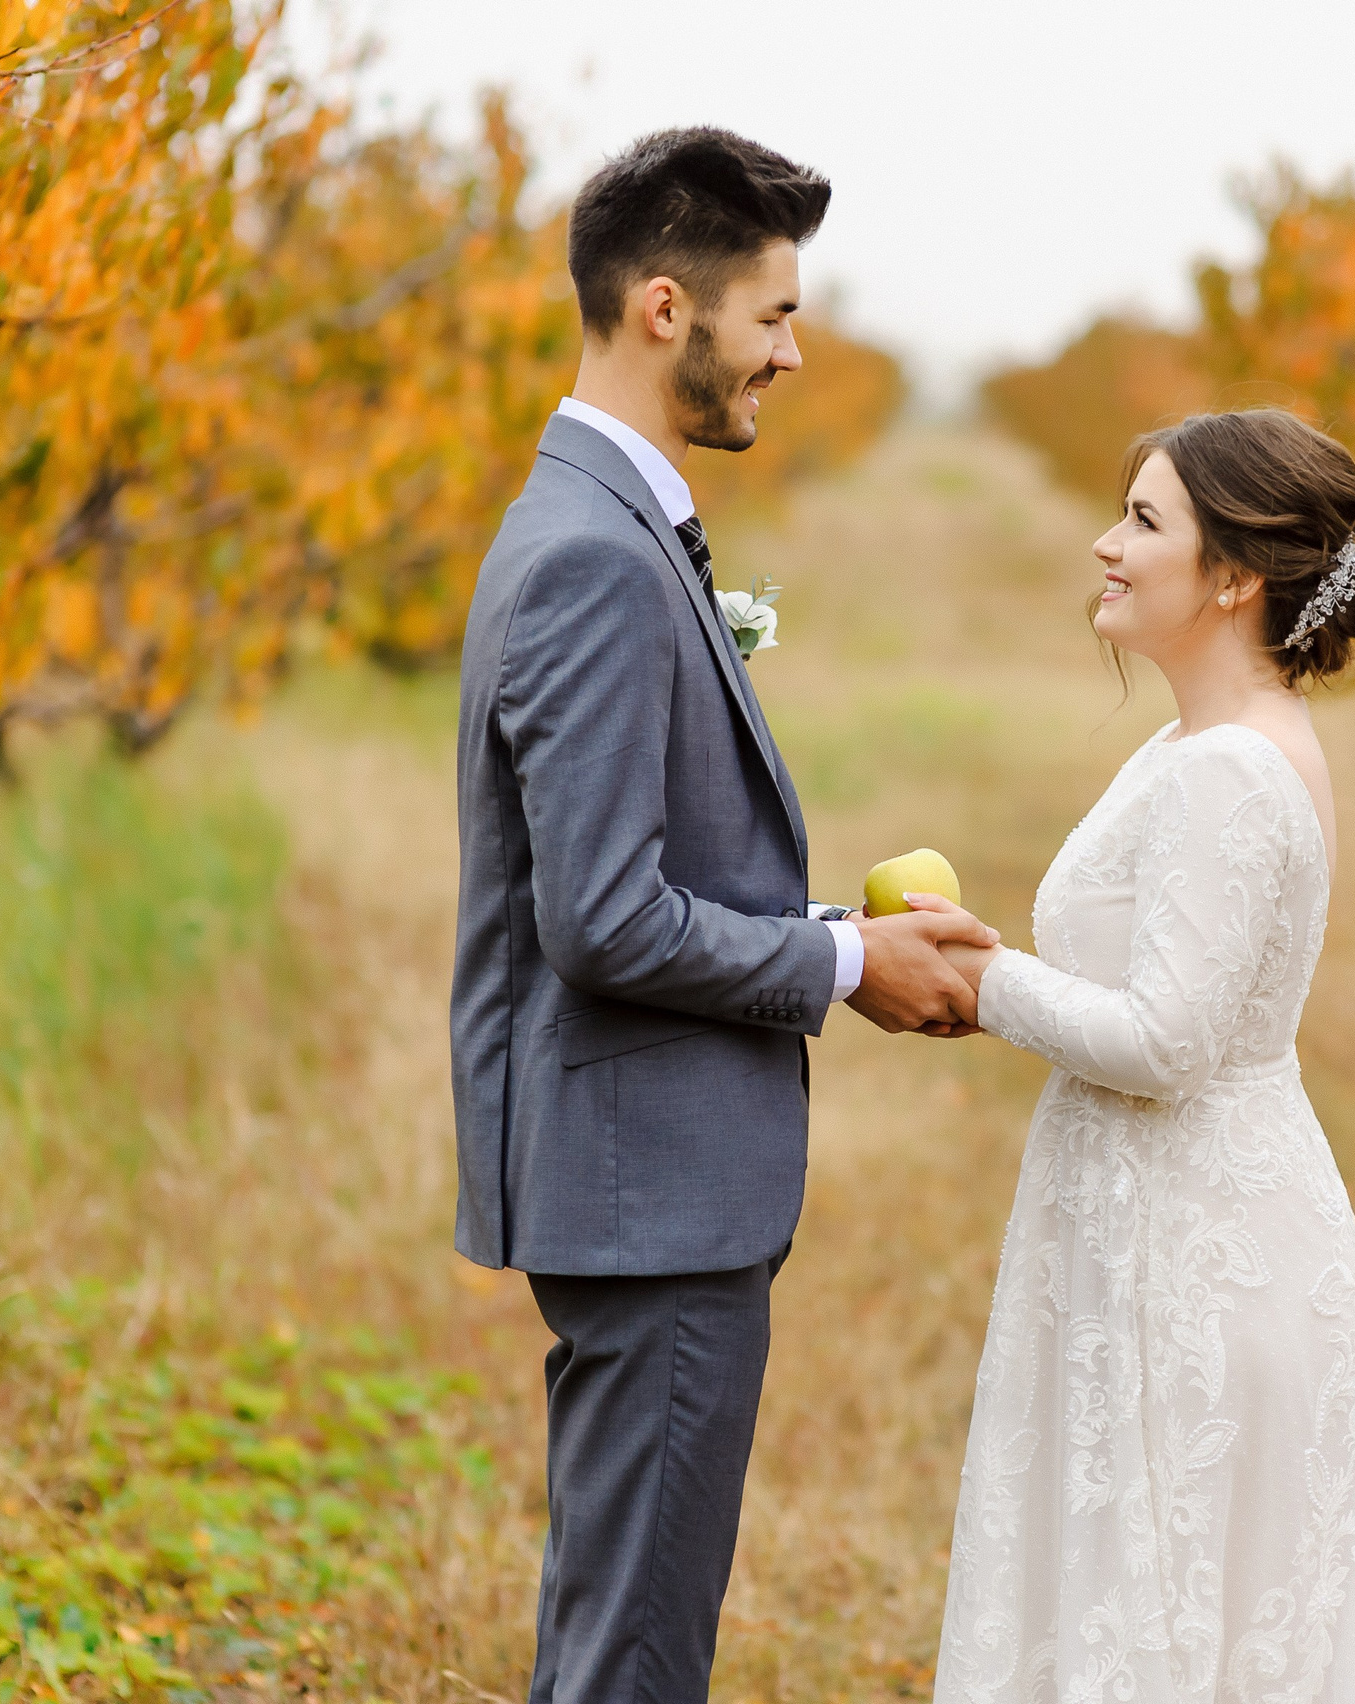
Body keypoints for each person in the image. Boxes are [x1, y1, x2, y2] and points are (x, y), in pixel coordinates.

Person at [447, 128, 998, 1704]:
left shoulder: (598, 520)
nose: (797, 352)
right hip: (651, 1194)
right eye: (773, 316)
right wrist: (841, 963)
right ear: (668, 310)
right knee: (632, 1659)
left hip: (642, 1186)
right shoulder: (595, 563)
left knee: (617, 1626)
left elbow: (631, 865)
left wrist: (832, 921)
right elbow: (605, 920)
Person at [915, 410, 1355, 1703]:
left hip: (1192, 1239)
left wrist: (987, 984)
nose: (1106, 545)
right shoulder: (1203, 746)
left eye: (1145, 522)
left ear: (1231, 577)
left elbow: (1168, 1041)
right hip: (1165, 1210)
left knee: (1173, 1579)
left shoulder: (1229, 772)